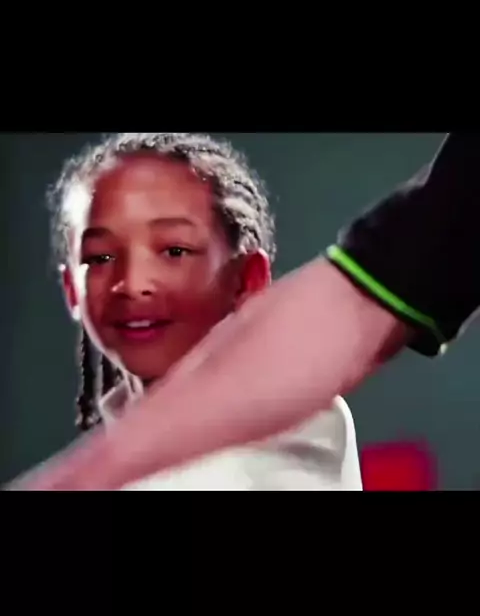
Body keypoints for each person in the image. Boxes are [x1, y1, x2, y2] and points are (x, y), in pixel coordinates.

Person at [12, 132, 479, 492]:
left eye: (174, 250)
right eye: (99, 257)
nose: (133, 283)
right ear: (71, 288)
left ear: (247, 278)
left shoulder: (289, 437)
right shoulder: (118, 430)